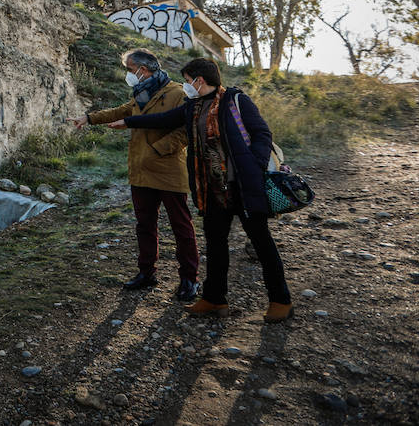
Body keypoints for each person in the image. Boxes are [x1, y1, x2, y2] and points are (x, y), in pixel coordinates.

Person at [109, 57, 293, 323]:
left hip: (243, 187)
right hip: (212, 189)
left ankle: (280, 301)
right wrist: (128, 122)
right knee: (216, 245)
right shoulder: (193, 106)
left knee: (261, 243)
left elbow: (262, 134)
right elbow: (164, 119)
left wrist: (253, 166)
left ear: (200, 80)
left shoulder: (235, 100)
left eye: (187, 80)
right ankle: (214, 299)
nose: (185, 85)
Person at [72, 49, 199, 302]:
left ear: (143, 69)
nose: (129, 74)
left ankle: (189, 278)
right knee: (144, 225)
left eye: (130, 70)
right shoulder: (141, 92)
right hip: (141, 170)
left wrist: (158, 149)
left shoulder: (177, 93)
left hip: (168, 170)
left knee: (181, 226)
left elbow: (187, 129)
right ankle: (146, 272)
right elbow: (123, 111)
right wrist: (88, 118)